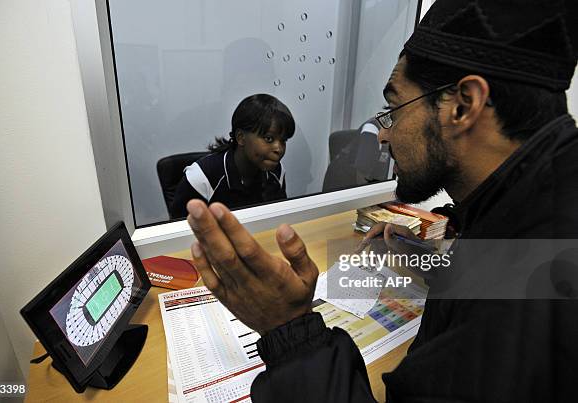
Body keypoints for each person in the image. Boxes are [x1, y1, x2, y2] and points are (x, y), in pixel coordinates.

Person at [185, 0, 578, 401]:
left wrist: (288, 329)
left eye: (394, 109)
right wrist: (431, 256)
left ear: (463, 106)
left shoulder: (527, 297)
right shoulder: (543, 195)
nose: (384, 136)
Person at [170, 94, 295, 218]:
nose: (278, 149)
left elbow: (278, 220)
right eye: (269, 139)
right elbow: (179, 234)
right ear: (240, 137)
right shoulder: (202, 178)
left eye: (283, 140)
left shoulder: (276, 172)